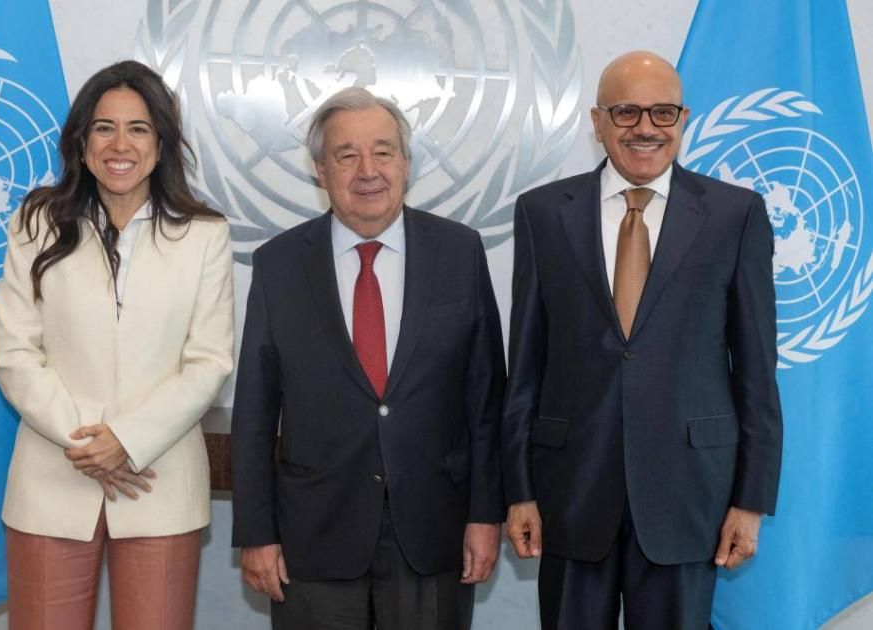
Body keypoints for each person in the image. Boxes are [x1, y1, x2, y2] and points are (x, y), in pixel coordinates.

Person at [501, 50, 783, 629]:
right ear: (597, 121)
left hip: (690, 497)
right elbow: (525, 365)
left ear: (684, 119)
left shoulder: (735, 215)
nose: (645, 128)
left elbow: (756, 373)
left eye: (662, 112)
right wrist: (519, 489)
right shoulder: (542, 213)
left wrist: (750, 501)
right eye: (626, 112)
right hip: (570, 492)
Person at [231, 86, 506, 630]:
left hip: (434, 529)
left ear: (405, 163)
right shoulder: (279, 264)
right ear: (320, 170)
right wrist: (256, 533)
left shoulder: (460, 251)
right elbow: (255, 413)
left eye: (383, 152)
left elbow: (485, 400)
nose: (368, 171)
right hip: (314, 534)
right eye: (346, 155)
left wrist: (485, 515)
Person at [0, 60, 234, 630]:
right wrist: (89, 444)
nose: (120, 145)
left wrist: (126, 440)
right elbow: (15, 353)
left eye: (138, 129)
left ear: (161, 144)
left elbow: (208, 362)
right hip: (53, 475)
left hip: (158, 480)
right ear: (81, 141)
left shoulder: (204, 233)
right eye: (104, 127)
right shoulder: (36, 222)